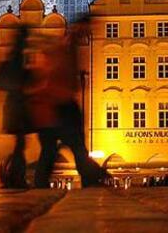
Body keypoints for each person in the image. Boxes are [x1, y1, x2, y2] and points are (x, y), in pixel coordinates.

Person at [25, 16, 109, 188]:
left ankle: (42, 184)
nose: (89, 31)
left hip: (55, 106)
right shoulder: (65, 47)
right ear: (79, 27)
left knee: (53, 150)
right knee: (74, 147)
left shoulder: (67, 46)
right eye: (87, 28)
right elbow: (54, 76)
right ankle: (91, 179)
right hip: (59, 106)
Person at [0, 25, 30, 188]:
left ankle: (15, 175)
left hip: (14, 107)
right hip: (18, 108)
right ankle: (15, 176)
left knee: (20, 144)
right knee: (20, 145)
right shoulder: (19, 57)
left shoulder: (15, 55)